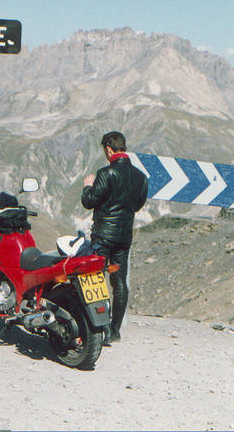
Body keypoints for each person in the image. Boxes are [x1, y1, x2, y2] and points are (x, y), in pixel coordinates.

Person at [81, 131, 148, 344]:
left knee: (95, 278)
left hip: (103, 236)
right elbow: (137, 205)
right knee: (119, 281)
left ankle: (96, 326)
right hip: (123, 236)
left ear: (109, 150)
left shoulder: (105, 173)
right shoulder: (140, 177)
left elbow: (89, 201)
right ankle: (114, 330)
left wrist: (87, 186)